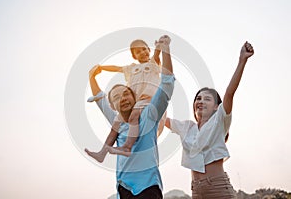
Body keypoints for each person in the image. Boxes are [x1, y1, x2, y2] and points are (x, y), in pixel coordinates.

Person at [85, 35, 174, 198]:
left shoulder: (149, 116)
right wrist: (96, 72)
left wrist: (163, 49)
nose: (123, 98)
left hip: (147, 188)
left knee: (134, 118)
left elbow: (167, 82)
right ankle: (102, 153)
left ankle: (126, 146)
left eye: (126, 94)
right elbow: (101, 98)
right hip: (123, 188)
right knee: (116, 127)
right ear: (113, 105)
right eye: (117, 97)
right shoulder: (118, 120)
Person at [165, 41, 254, 198]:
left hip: (218, 188)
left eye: (207, 99)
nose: (201, 101)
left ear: (216, 107)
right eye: (198, 98)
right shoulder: (186, 127)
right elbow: (161, 115)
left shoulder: (220, 121)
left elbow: (229, 93)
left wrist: (242, 61)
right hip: (196, 191)